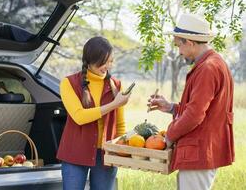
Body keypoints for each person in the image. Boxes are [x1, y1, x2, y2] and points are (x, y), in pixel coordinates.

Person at [148, 14, 234, 190]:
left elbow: (195, 115)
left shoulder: (208, 68)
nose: (179, 51)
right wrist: (171, 107)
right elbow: (203, 109)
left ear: (190, 42)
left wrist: (169, 136)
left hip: (200, 151)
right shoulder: (212, 63)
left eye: (179, 45)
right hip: (201, 151)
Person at [57, 36, 131, 190]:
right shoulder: (69, 83)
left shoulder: (116, 85)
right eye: (103, 62)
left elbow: (120, 124)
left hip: (105, 155)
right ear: (90, 61)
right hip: (75, 152)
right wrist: (114, 104)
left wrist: (120, 150)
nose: (107, 66)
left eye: (110, 61)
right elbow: (79, 116)